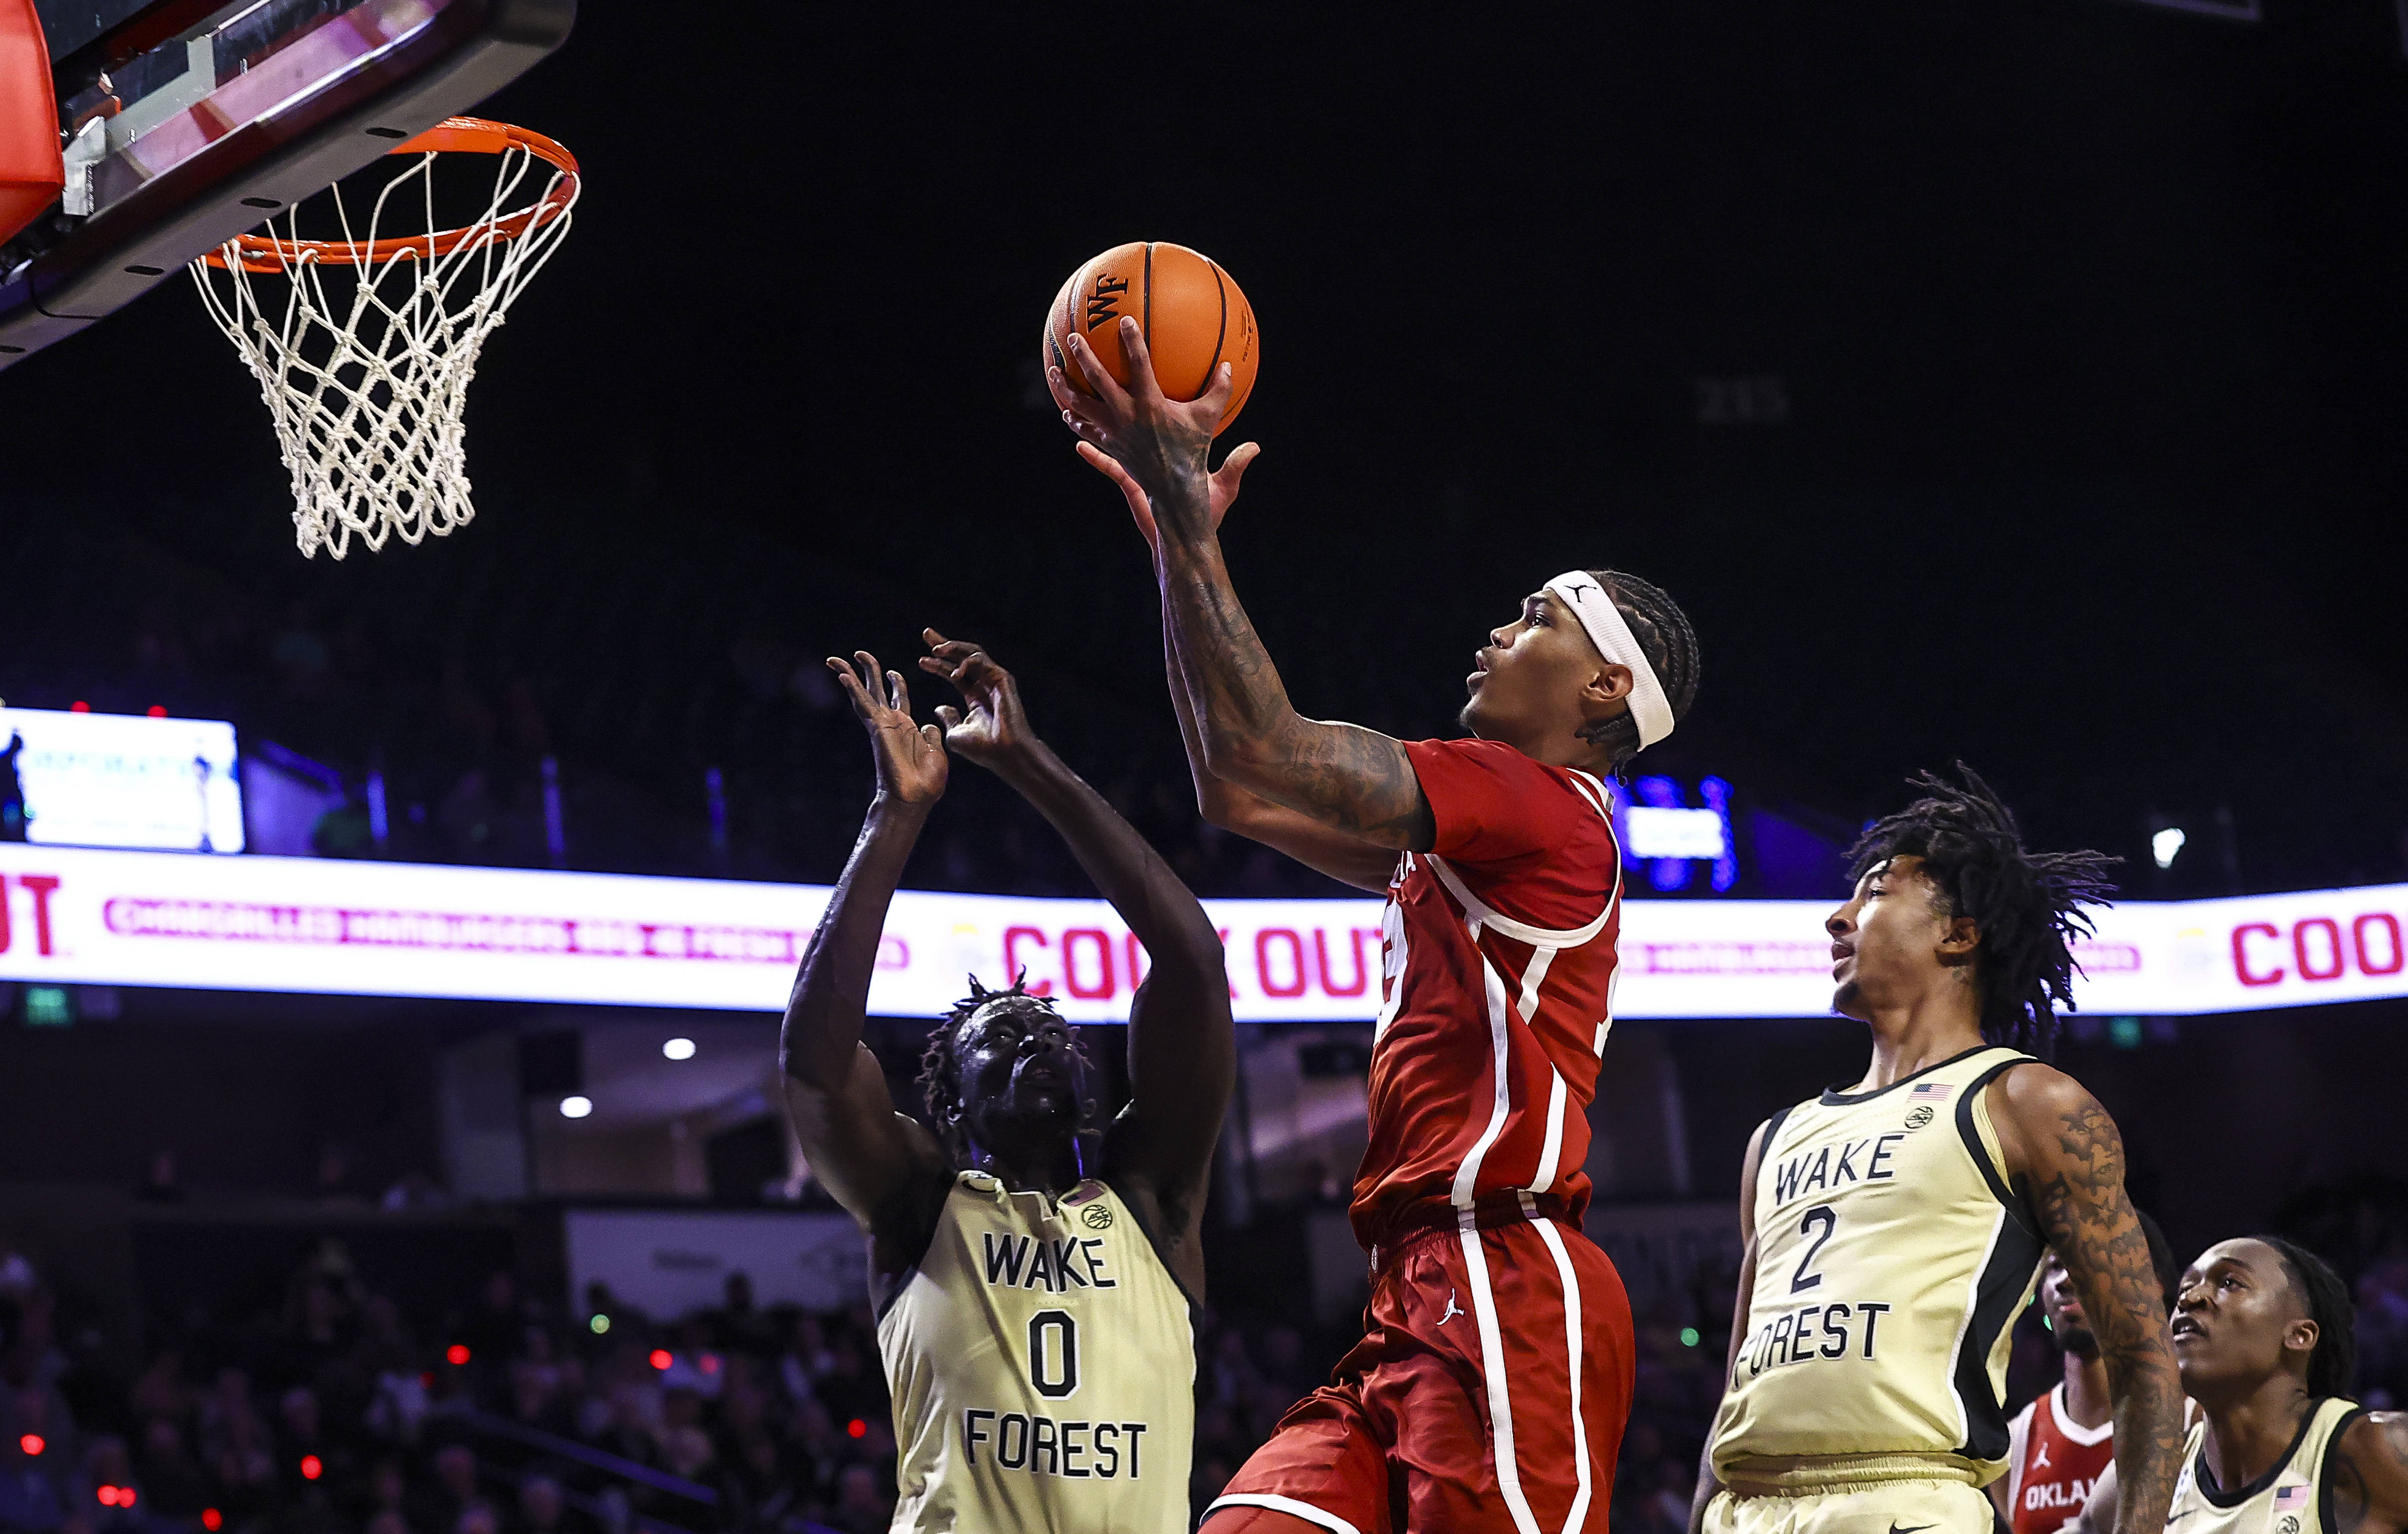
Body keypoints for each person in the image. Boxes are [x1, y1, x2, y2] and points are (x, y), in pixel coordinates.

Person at [1053, 318, 1702, 1532]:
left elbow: (1265, 748)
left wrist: (1188, 517)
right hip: (1410, 1291)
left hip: (1510, 1281)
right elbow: (1233, 790)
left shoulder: (1540, 804)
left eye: (1532, 620)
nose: (1494, 632)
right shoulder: (1487, 832)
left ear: (1603, 689)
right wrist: (1172, 552)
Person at [779, 636, 1234, 1533]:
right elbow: (817, 1068)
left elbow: (1192, 963)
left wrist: (1031, 765)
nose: (1035, 1035)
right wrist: (893, 819)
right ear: (949, 1106)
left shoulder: (1152, 1202)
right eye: (1001, 1037)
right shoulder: (919, 1204)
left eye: (1052, 1031)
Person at [1688, 767, 2185, 1534]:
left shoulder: (2026, 1103)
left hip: (1907, 1497)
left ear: (1958, 933)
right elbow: (1735, 1380)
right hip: (1746, 1507)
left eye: (1875, 894)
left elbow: (2146, 1364)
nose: (1838, 919)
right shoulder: (1774, 1138)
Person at [2072, 1235, 2408, 1534]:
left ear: (2299, 1335)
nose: (2191, 1298)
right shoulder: (2140, 1481)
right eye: (2185, 1288)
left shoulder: (2377, 1449)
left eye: (2230, 1282)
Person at [1991, 1215, 2179, 1534]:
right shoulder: (2015, 1444)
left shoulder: (2195, 1420)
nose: (2066, 1279)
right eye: (2055, 1266)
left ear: (2151, 1283)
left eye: (2088, 1260)